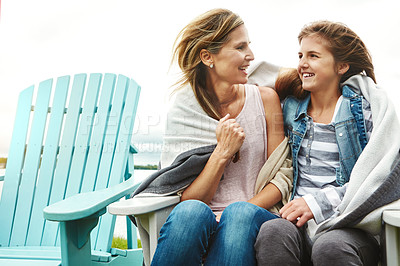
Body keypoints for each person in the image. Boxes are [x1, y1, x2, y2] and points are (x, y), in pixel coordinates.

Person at [144, 8, 292, 266]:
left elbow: (282, 177)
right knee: (190, 212)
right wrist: (222, 153)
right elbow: (187, 199)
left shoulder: (266, 100)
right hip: (200, 217)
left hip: (256, 214)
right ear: (207, 57)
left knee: (238, 214)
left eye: (249, 45)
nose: (251, 55)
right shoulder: (185, 109)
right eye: (240, 47)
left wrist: (238, 212)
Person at [253, 20, 400, 265]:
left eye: (313, 55)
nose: (302, 63)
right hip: (296, 223)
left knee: (329, 247)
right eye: (300, 55)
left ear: (341, 65)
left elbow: (381, 176)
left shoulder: (362, 112)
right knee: (272, 231)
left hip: (347, 224)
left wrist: (316, 203)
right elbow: (250, 76)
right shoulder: (291, 108)